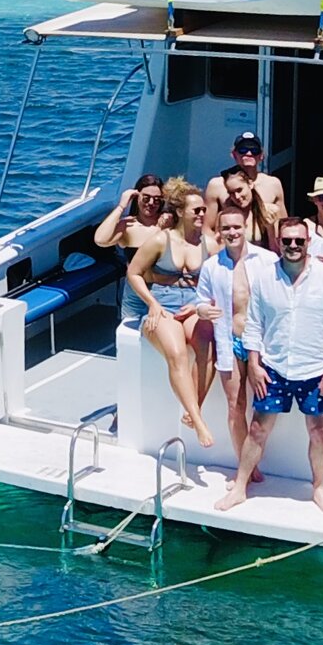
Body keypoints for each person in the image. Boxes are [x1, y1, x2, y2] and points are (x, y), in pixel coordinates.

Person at [220, 216, 323, 512]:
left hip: (316, 370)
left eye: (299, 241)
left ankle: (318, 488)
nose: (293, 245)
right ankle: (240, 486)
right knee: (257, 429)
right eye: (287, 240)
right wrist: (254, 365)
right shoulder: (265, 278)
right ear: (278, 242)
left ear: (308, 243)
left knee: (318, 430)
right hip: (273, 368)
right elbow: (253, 325)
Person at [125, 189, 218, 447]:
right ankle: (199, 422)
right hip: (163, 304)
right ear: (180, 212)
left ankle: (193, 410)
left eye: (203, 209)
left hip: (192, 304)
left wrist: (204, 304)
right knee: (176, 353)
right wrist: (152, 304)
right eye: (196, 210)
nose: (202, 214)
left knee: (207, 347)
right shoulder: (160, 240)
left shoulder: (209, 243)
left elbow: (221, 280)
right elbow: (134, 272)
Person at [197, 203, 276, 463]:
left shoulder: (267, 260)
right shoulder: (211, 266)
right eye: (226, 228)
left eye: (236, 227)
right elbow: (201, 301)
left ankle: (254, 461)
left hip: (260, 343)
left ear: (246, 227)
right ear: (219, 231)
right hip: (228, 341)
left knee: (263, 407)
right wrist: (202, 311)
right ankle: (245, 467)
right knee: (235, 406)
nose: (232, 232)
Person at [93, 174, 165, 330]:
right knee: (132, 335)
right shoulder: (128, 226)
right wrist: (121, 206)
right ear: (137, 197)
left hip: (162, 288)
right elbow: (101, 240)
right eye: (146, 198)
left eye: (157, 199)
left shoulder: (166, 223)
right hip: (135, 292)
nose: (151, 203)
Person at [205, 132, 286, 249]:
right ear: (234, 154)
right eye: (242, 150)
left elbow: (284, 226)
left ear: (261, 156)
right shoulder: (216, 185)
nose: (248, 153)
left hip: (262, 254)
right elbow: (207, 228)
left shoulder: (273, 184)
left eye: (254, 150)